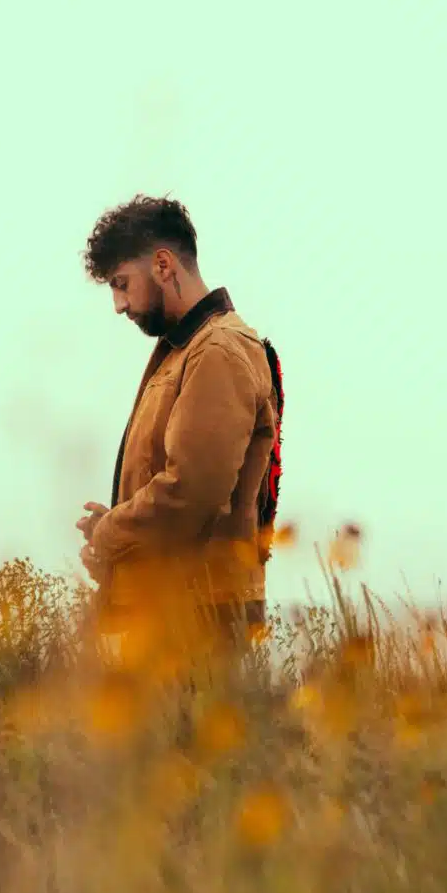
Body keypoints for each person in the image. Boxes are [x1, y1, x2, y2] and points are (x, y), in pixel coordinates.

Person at [75, 194, 284, 651]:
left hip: (200, 618)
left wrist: (111, 536)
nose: (118, 304)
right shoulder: (184, 351)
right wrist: (118, 544)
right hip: (174, 612)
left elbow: (191, 492)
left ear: (164, 265)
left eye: (122, 283)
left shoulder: (218, 351)